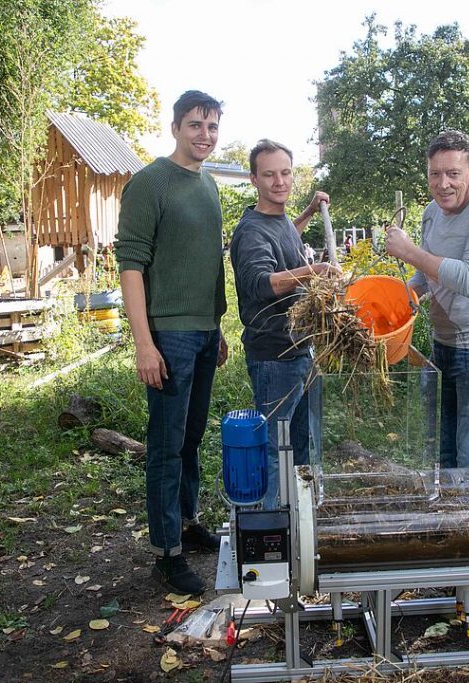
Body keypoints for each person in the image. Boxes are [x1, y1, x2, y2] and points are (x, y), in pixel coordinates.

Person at [115, 90, 228, 596]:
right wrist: (144, 343)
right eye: (195, 125)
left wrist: (217, 327)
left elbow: (203, 265)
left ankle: (186, 522)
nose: (204, 135)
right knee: (165, 444)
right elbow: (131, 266)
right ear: (176, 127)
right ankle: (166, 552)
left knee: (191, 437)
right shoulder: (150, 183)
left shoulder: (208, 187)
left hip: (203, 333)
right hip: (168, 335)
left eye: (212, 126)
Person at [385, 130, 469, 469]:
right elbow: (424, 277)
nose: (443, 183)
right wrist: (393, 302)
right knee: (442, 451)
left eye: (453, 174)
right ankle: (450, 519)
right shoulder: (432, 212)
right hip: (443, 345)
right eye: (435, 174)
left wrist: (410, 252)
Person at [230, 139, 338, 509]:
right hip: (275, 355)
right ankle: (273, 524)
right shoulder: (250, 231)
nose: (280, 181)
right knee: (277, 446)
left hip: (299, 350)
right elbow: (262, 282)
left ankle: (299, 516)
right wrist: (317, 270)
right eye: (269, 174)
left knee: (300, 438)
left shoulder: (277, 220)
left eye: (286, 172)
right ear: (253, 179)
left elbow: (283, 237)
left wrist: (308, 211)